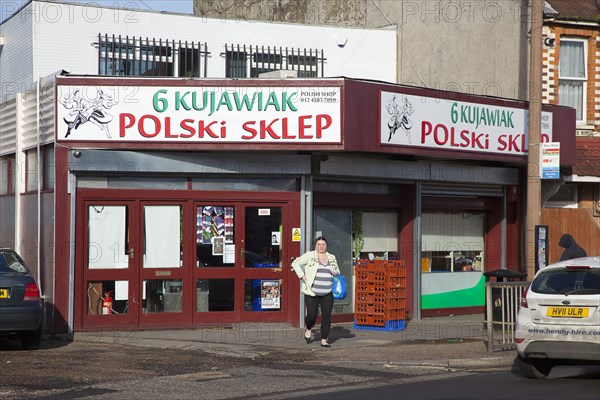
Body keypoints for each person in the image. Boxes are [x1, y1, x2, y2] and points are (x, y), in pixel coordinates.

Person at [292, 236, 340, 348]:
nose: (321, 246)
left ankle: (324, 340)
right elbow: (295, 263)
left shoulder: (331, 257)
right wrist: (302, 275)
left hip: (327, 293)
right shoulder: (310, 255)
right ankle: (308, 328)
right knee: (312, 316)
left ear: (326, 246)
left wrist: (334, 271)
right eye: (319, 244)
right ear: (316, 245)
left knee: (327, 317)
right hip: (312, 292)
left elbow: (337, 270)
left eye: (323, 244)